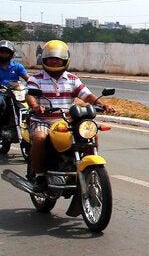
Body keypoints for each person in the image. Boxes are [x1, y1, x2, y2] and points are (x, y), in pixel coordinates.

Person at [25, 40, 113, 192]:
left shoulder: (72, 79)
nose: (54, 62)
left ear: (65, 60)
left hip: (68, 121)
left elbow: (86, 95)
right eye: (50, 59)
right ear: (44, 60)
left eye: (57, 59)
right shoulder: (36, 78)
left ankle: (88, 170)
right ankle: (39, 175)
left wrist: (102, 104)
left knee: (91, 135)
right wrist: (35, 106)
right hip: (43, 120)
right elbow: (30, 95)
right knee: (39, 138)